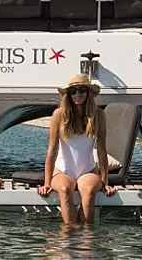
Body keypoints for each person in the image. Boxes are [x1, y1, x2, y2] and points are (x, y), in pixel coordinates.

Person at [36, 73, 117, 224]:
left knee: (89, 191)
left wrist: (105, 182)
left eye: (81, 90)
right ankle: (69, 234)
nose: (77, 94)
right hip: (62, 171)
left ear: (88, 93)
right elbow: (52, 151)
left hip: (88, 170)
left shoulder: (98, 115)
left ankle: (86, 235)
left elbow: (101, 150)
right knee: (65, 190)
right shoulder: (59, 115)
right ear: (68, 94)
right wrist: (47, 183)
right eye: (73, 91)